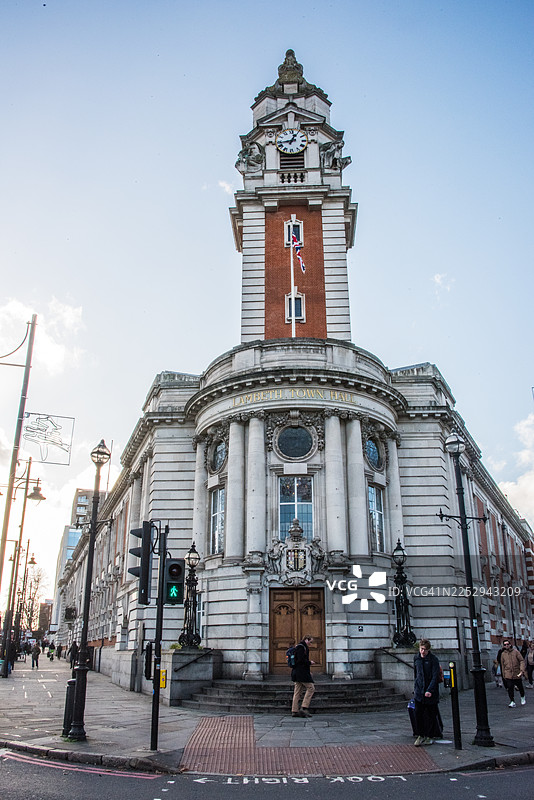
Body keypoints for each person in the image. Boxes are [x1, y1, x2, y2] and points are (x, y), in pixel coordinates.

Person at [413, 638, 440, 746]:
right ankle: (420, 735)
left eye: (424, 649)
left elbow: (435, 676)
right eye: (421, 649)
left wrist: (430, 690)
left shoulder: (433, 659)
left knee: (430, 714)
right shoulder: (416, 658)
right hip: (419, 691)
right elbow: (416, 674)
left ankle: (429, 736)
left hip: (430, 691)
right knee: (418, 714)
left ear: (428, 650)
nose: (422, 652)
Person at [290, 634, 315, 718]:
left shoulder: (300, 647)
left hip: (297, 673)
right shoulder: (301, 647)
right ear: (306, 640)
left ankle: (294, 710)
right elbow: (300, 660)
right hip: (301, 673)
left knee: (297, 692)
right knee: (311, 688)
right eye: (310, 642)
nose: (310, 644)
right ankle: (304, 707)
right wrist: (309, 662)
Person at [500, 639, 526, 707]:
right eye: (505, 645)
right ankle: (512, 701)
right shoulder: (503, 654)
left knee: (520, 686)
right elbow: (502, 665)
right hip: (508, 673)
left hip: (516, 673)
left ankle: (522, 697)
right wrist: (503, 675)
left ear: (510, 645)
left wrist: (521, 670)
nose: (506, 646)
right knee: (510, 688)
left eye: (507, 644)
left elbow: (521, 660)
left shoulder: (516, 652)